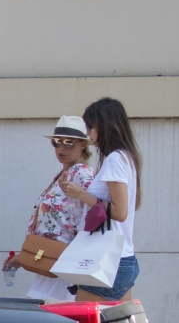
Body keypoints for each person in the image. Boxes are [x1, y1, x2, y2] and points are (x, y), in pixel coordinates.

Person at [2, 116, 95, 302]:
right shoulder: (65, 173)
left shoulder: (82, 173)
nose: (61, 148)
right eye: (57, 142)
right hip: (51, 263)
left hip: (63, 265)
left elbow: (88, 218)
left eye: (69, 143)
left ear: (83, 145)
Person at [60, 97, 142, 302]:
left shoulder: (115, 159)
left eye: (89, 127)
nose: (87, 133)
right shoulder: (127, 157)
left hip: (106, 259)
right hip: (122, 258)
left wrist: (81, 194)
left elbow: (120, 212)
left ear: (104, 126)